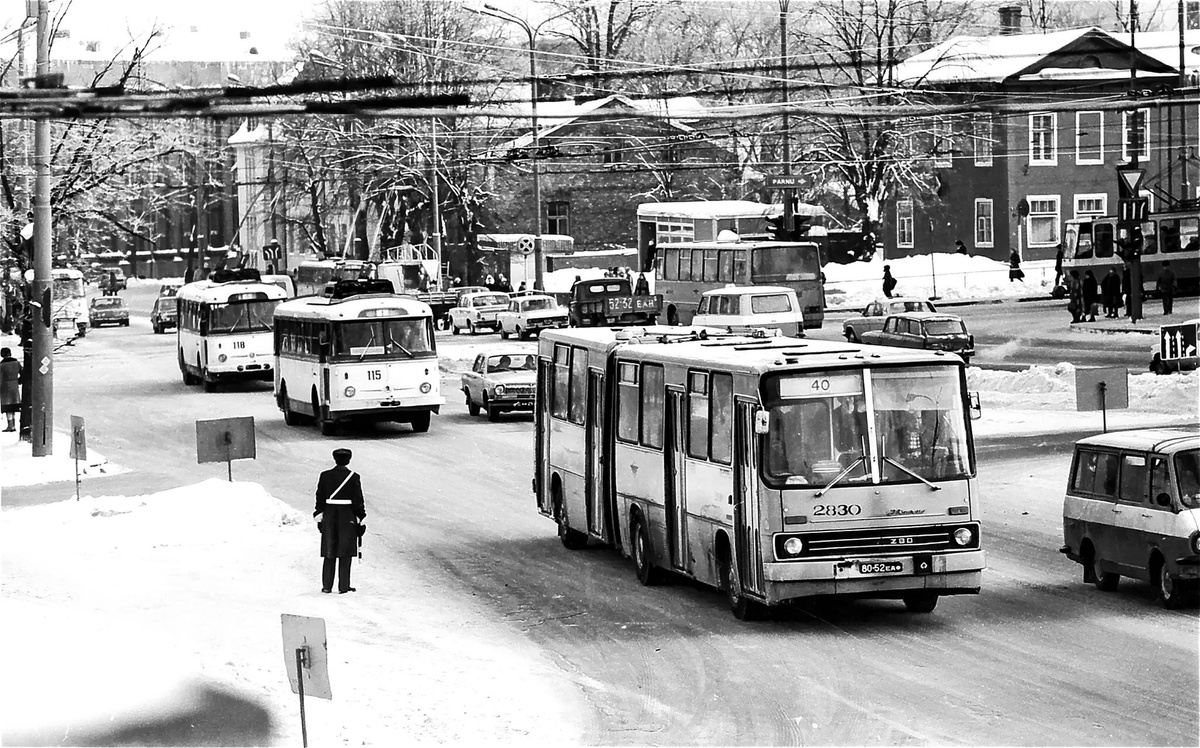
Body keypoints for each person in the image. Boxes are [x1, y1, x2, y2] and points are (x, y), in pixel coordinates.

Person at [314, 448, 366, 594]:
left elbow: (319, 497)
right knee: (345, 551)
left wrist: (320, 515)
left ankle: (326, 586)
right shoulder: (353, 477)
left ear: (334, 459)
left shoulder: (325, 476)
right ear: (349, 460)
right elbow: (358, 499)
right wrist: (360, 517)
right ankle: (343, 586)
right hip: (346, 515)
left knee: (329, 551)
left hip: (330, 514)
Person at [0, 347, 21, 432]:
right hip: (14, 386)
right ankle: (14, 425)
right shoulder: (16, 363)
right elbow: (22, 372)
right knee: (13, 405)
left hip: (5, 387)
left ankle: (10, 425)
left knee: (8, 407)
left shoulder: (1, 365)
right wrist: (18, 381)